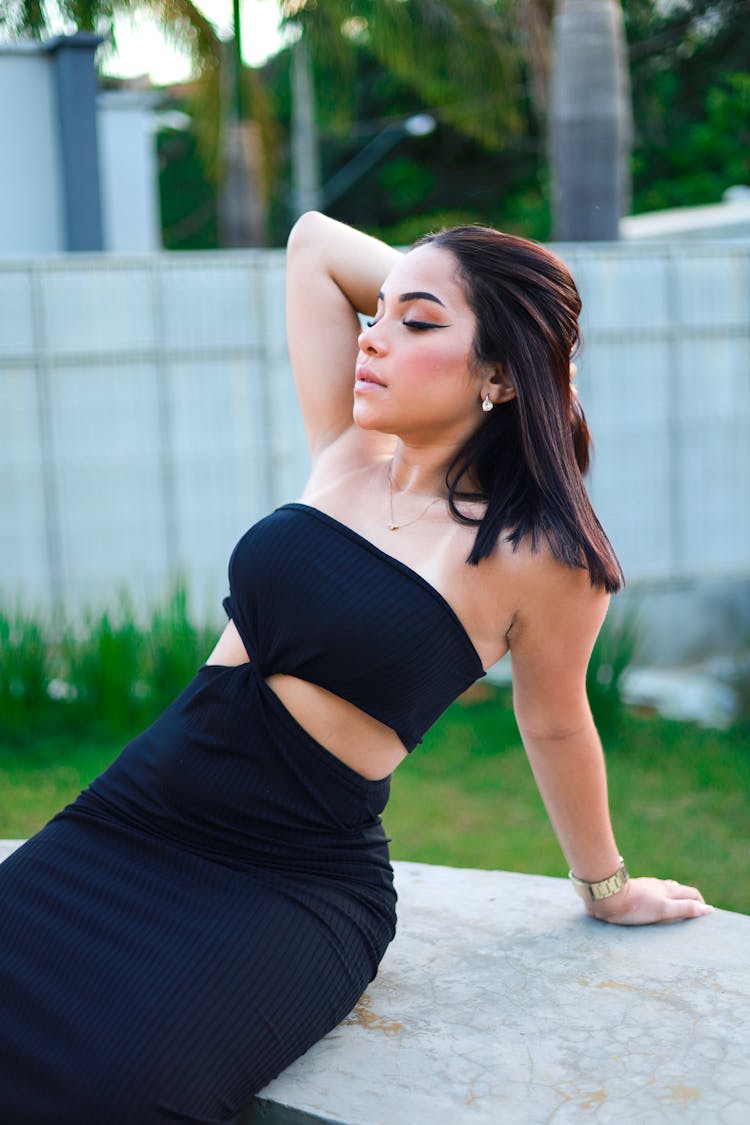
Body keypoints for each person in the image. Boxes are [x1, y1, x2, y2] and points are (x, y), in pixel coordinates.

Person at [0, 213, 710, 1124]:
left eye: (416, 323)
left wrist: (606, 889)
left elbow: (557, 722)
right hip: (129, 820)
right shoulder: (349, 455)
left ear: (498, 374)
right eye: (377, 316)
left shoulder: (541, 556)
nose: (372, 338)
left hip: (287, 884)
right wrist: (466, 310)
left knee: (123, 1093)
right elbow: (312, 242)